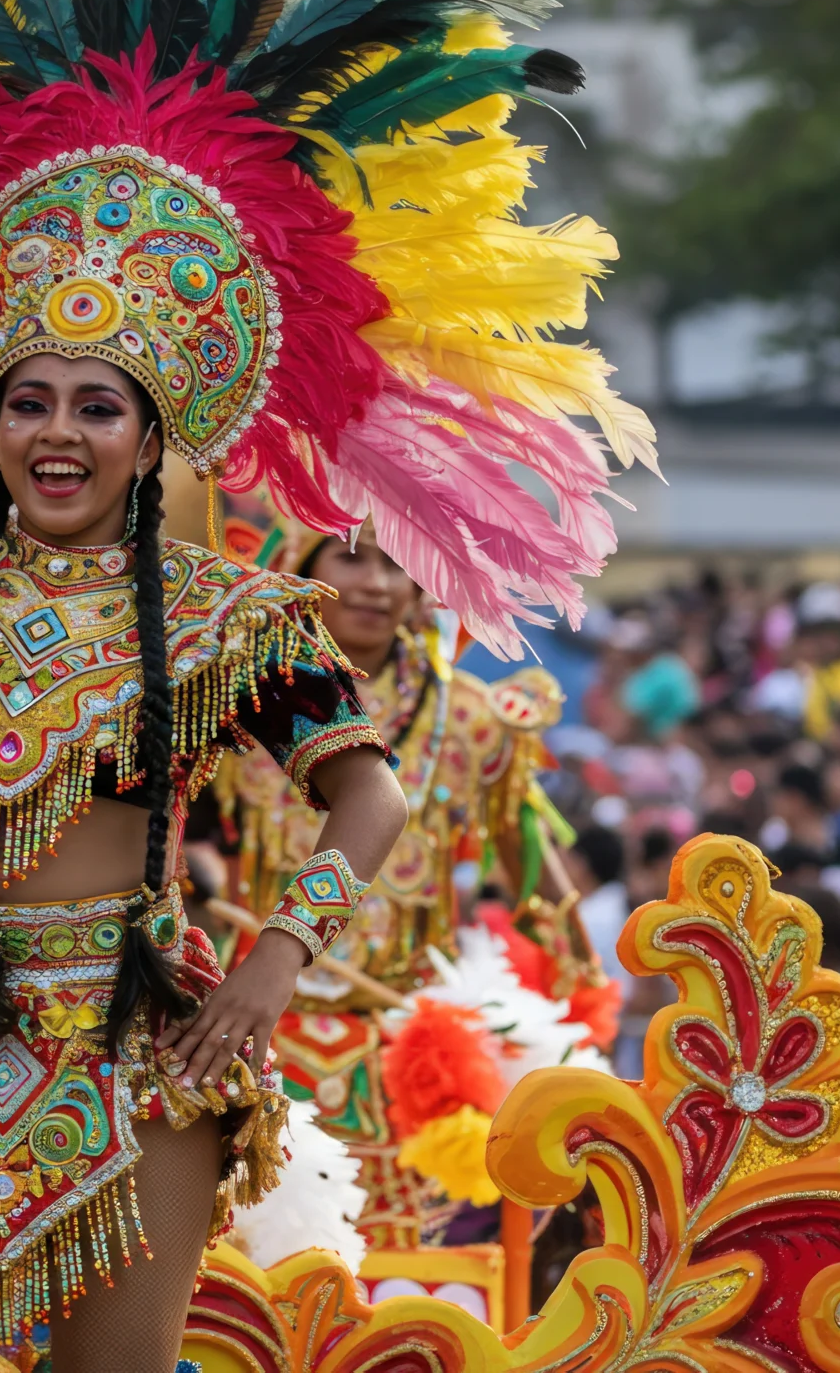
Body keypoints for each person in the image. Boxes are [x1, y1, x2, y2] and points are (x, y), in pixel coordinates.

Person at [0, 0, 636, 1353]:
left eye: (100, 406)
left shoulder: (229, 613)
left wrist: (273, 964)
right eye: (29, 401)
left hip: (138, 1048)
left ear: (155, 438)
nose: (58, 435)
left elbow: (366, 799)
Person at [219, 515, 574, 1251]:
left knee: (398, 1299)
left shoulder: (477, 723)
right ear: (298, 560)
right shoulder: (234, 697)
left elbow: (540, 886)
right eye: (350, 557)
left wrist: (566, 1012)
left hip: (407, 1056)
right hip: (252, 1030)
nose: (376, 583)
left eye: (399, 564)